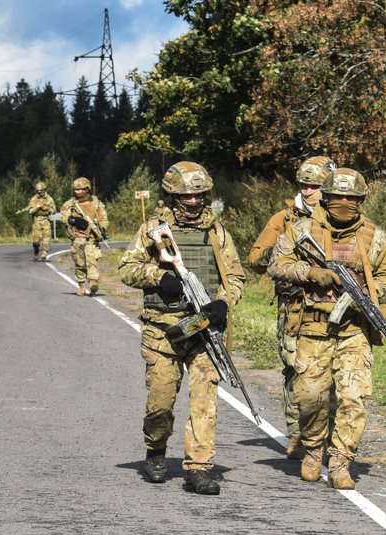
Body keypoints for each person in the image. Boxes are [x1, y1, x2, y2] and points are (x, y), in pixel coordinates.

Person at [119, 161, 246, 494]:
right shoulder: (153, 230)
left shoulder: (217, 233)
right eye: (187, 197)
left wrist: (223, 301)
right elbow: (127, 268)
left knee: (204, 400)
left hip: (203, 331)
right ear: (172, 195)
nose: (194, 202)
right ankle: (156, 451)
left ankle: (199, 468)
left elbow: (235, 276)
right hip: (164, 331)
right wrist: (158, 277)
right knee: (160, 404)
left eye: (200, 196)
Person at [268, 168, 386, 490]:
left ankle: (341, 462)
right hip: (313, 326)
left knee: (354, 398)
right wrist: (311, 272)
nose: (344, 203)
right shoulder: (300, 230)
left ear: (361, 200)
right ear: (324, 197)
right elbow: (275, 265)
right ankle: (313, 449)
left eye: (351, 198)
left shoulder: (373, 235)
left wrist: (368, 294)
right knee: (310, 396)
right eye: (337, 196)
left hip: (355, 330)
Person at [247, 156, 336, 459]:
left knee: (332, 371)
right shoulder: (284, 219)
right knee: (295, 370)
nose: (309, 191)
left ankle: (329, 434)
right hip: (296, 307)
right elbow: (255, 258)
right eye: (304, 185)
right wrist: (286, 252)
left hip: (334, 306)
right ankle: (298, 433)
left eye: (315, 186)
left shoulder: (341, 215)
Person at [59, 177, 108, 296]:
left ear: (87, 189)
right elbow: (63, 216)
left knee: (92, 262)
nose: (76, 192)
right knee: (79, 264)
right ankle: (81, 285)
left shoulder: (96, 203)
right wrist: (73, 220)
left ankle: (93, 282)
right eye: (75, 190)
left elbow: (103, 218)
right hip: (77, 238)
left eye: (79, 190)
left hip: (91, 239)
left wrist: (102, 228)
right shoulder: (71, 204)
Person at [24, 181, 57, 262]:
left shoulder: (49, 199)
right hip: (37, 220)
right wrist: (37, 207)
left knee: (46, 239)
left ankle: (44, 255)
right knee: (36, 241)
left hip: (46, 220)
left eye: (41, 191)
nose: (39, 193)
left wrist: (47, 208)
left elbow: (54, 211)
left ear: (44, 190)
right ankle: (36, 252)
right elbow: (30, 211)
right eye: (38, 191)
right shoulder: (34, 199)